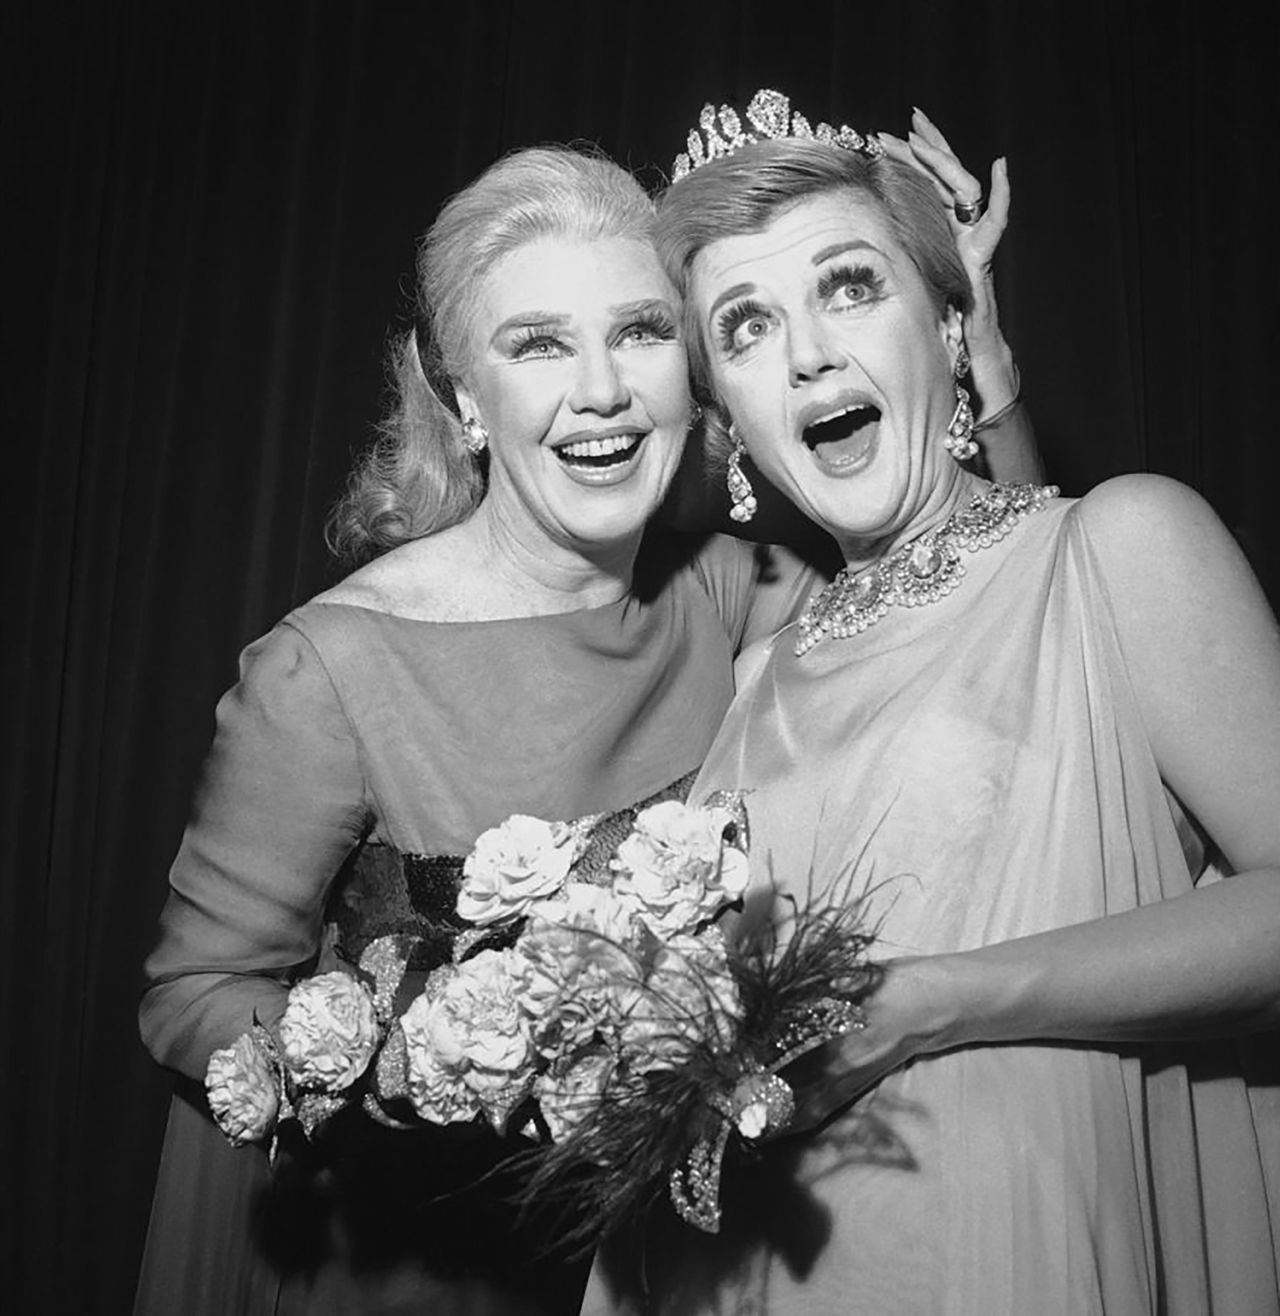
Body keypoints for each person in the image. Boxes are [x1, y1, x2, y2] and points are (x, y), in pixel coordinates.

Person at [134, 138, 1039, 1316]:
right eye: (538, 344)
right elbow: (191, 990)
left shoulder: (735, 587)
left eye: (641, 331)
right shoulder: (329, 668)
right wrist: (417, 1070)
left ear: (694, 370)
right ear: (463, 397)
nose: (602, 390)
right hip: (427, 1265)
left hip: (692, 1255)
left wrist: (978, 347)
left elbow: (997, 603)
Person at [583, 99, 1280, 1314]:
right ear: (727, 422)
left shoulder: (1119, 544)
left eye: (849, 286)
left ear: (951, 330)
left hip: (1014, 1249)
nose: (804, 355)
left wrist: (928, 1001)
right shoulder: (754, 683)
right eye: (745, 327)